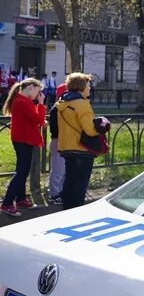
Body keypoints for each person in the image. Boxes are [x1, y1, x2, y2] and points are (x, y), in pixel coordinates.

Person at [55, 73, 101, 210]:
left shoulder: (62, 102)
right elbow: (90, 130)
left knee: (69, 181)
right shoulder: (82, 104)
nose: (90, 88)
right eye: (88, 85)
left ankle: (67, 210)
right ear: (81, 87)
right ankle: (76, 211)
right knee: (80, 185)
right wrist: (102, 127)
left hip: (66, 147)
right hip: (82, 148)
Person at [1, 78, 46, 217]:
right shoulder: (22, 102)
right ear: (31, 87)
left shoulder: (21, 100)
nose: (38, 95)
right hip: (23, 140)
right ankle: (7, 203)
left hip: (23, 139)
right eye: (38, 91)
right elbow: (39, 120)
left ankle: (20, 199)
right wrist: (41, 104)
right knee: (21, 171)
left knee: (23, 170)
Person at [47, 82, 69, 204]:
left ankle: (60, 192)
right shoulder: (57, 108)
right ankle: (54, 194)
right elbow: (55, 128)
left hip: (63, 141)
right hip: (58, 140)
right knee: (58, 170)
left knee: (63, 169)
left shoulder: (62, 106)